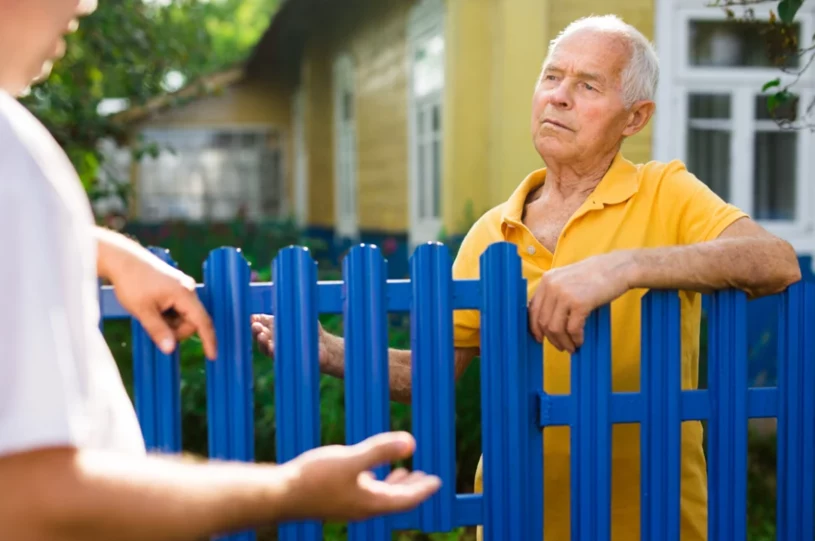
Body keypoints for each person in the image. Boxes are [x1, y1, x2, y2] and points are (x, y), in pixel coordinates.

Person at [252, 14, 802, 541]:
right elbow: (430, 374)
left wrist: (626, 266)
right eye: (552, 76)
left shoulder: (667, 193)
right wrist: (329, 351)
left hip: (652, 520)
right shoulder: (492, 232)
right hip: (519, 518)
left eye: (588, 85)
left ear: (635, 118)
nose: (559, 95)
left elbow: (775, 261)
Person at [0, 1, 441, 539]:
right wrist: (290, 491)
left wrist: (100, 250)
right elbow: (27, 495)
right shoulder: (11, 154)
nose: (85, 3)